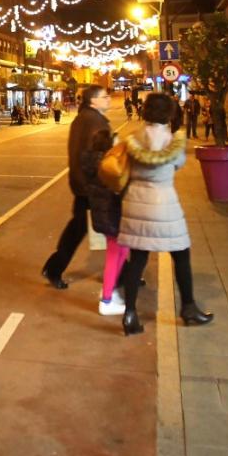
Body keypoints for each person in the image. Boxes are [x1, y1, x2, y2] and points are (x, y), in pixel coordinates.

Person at [117, 92, 213, 335]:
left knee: (137, 259)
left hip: (136, 201)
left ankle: (129, 313)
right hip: (163, 203)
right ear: (168, 113)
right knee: (181, 255)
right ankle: (189, 308)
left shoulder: (132, 138)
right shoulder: (173, 140)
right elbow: (178, 164)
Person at [41, 85, 112, 289]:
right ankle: (54, 268)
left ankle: (123, 272)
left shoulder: (86, 119)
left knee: (84, 228)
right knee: (105, 228)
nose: (108, 99)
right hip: (92, 186)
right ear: (93, 101)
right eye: (104, 97)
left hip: (84, 184)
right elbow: (98, 155)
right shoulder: (94, 121)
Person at [84, 128, 126, 316]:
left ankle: (110, 290)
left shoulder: (91, 161)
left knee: (121, 251)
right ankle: (106, 299)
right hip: (111, 215)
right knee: (115, 254)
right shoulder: (107, 165)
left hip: (102, 215)